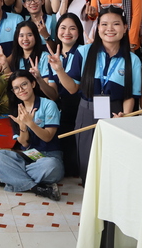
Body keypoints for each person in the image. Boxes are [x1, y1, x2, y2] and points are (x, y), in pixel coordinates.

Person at [72, 6, 142, 182]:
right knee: (87, 160)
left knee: (113, 160)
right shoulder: (84, 52)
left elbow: (130, 95)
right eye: (104, 24)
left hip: (116, 114)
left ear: (125, 28)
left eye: (116, 24)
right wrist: (58, 70)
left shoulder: (133, 60)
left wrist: (124, 116)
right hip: (87, 111)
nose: (109, 29)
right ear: (98, 28)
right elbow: (72, 88)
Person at [0, 70, 64, 202]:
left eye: (24, 84)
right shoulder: (16, 109)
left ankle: (10, 176)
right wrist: (23, 126)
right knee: (0, 156)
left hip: (48, 157)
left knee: (52, 166)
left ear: (33, 84)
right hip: (29, 156)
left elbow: (48, 137)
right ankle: (37, 188)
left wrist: (30, 123)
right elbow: (24, 143)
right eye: (16, 88)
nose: (21, 90)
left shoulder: (49, 105)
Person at [46, 13, 85, 177]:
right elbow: (53, 94)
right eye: (63, 28)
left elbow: (73, 89)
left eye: (72, 28)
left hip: (79, 108)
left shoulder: (83, 52)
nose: (67, 32)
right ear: (57, 31)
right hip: (62, 109)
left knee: (75, 165)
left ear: (79, 32)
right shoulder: (53, 55)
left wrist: (59, 70)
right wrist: (38, 80)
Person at [0, 20, 56, 100]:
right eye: (21, 36)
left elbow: (50, 93)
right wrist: (4, 64)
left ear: (36, 36)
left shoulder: (44, 57)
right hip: (22, 102)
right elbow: (13, 83)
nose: (25, 39)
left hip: (41, 101)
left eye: (29, 35)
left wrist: (38, 78)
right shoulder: (17, 57)